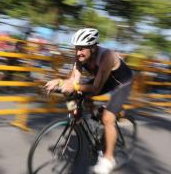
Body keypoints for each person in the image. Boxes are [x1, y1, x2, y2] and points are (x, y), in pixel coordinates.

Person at [45, 28, 134, 174]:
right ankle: (93, 121)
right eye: (76, 48)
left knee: (107, 118)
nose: (78, 52)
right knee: (76, 95)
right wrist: (60, 82)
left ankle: (108, 158)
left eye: (82, 49)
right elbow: (73, 80)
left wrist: (70, 85)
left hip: (121, 83)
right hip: (104, 79)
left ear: (93, 47)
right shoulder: (79, 57)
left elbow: (96, 88)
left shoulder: (107, 56)